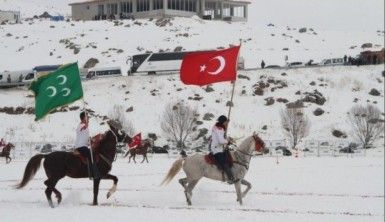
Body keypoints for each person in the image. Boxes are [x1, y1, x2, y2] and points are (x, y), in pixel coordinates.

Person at [210, 115, 238, 184]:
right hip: (217, 150)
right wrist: (228, 141)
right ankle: (231, 178)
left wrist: (227, 139)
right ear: (223, 122)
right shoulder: (219, 128)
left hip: (218, 148)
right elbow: (220, 141)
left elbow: (221, 138)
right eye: (226, 122)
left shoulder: (218, 127)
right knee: (225, 162)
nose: (226, 123)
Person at [74, 111, 99, 179]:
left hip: (84, 146)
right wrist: (86, 125)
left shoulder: (85, 127)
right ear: (84, 118)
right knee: (92, 156)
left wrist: (91, 141)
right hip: (80, 147)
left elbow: (86, 139)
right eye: (87, 117)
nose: (88, 119)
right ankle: (93, 174)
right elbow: (83, 127)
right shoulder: (81, 126)